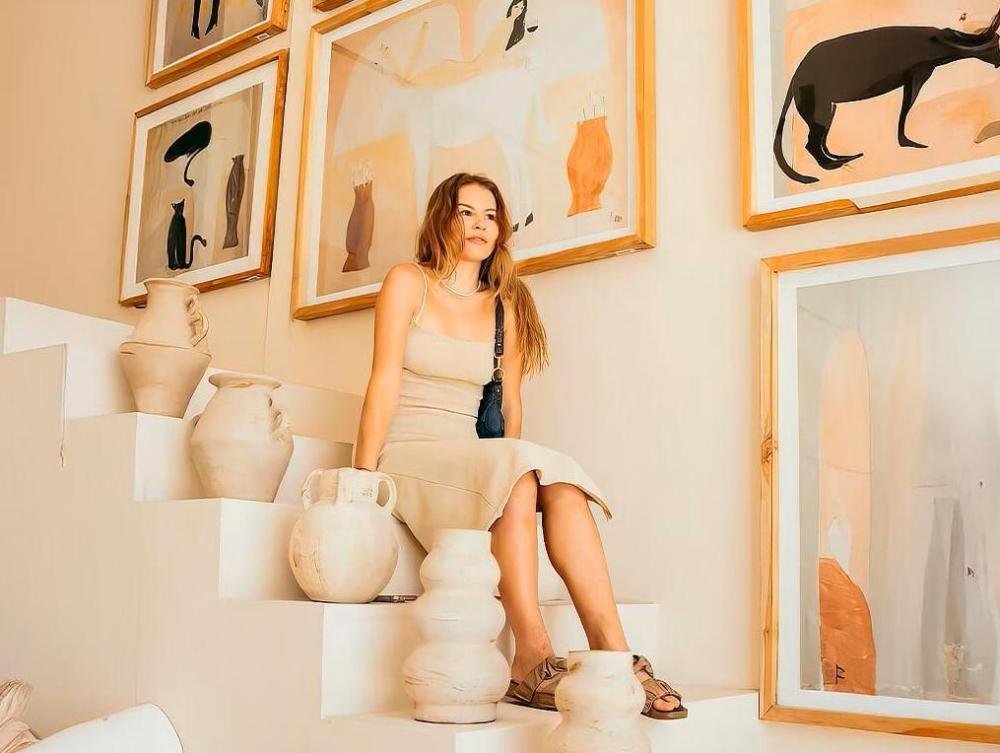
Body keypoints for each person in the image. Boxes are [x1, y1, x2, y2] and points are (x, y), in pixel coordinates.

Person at [352, 172, 686, 719]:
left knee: (560, 483)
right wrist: (362, 479)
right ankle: (530, 657)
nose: (479, 224)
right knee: (518, 469)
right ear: (441, 219)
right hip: (409, 455)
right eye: (465, 212)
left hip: (471, 459)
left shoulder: (506, 305)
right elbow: (383, 378)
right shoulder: (408, 281)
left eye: (490, 215)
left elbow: (510, 404)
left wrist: (512, 474)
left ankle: (615, 656)